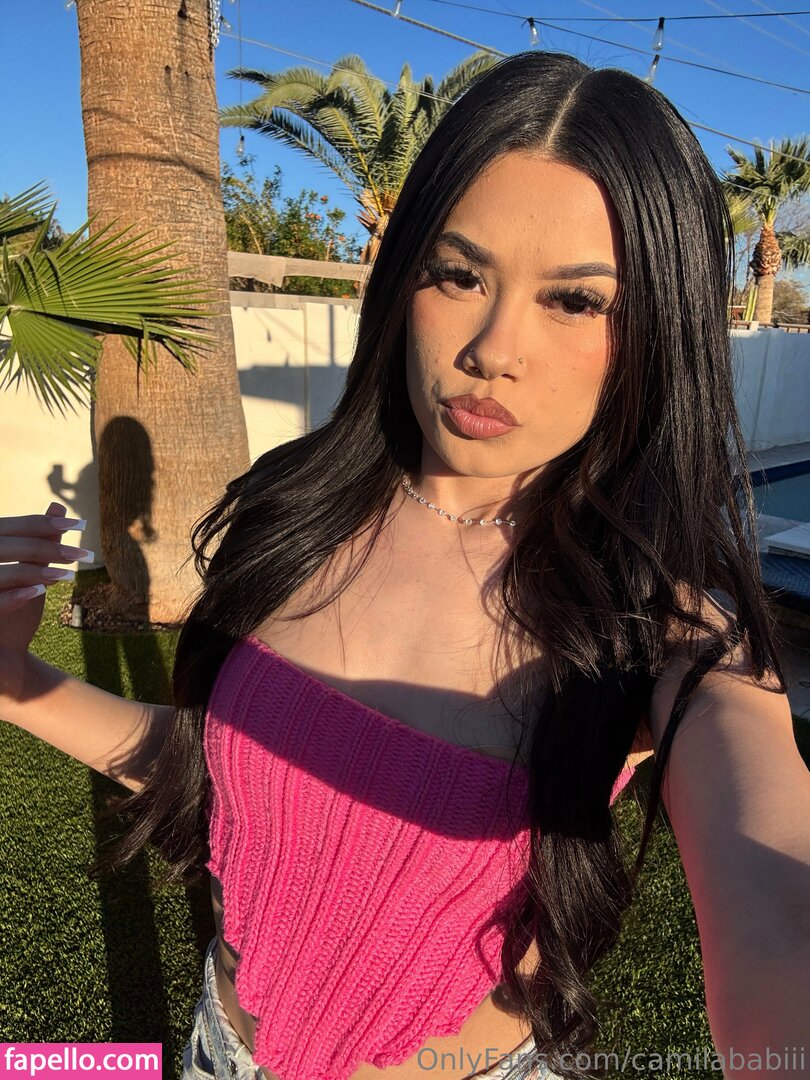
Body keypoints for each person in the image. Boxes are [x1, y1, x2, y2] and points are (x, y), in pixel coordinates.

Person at [1, 48, 808, 1080]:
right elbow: (234, 776)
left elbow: (777, 916)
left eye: (575, 301)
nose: (492, 348)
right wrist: (15, 682)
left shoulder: (659, 623)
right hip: (219, 1049)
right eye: (459, 274)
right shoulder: (295, 512)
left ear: (661, 329)